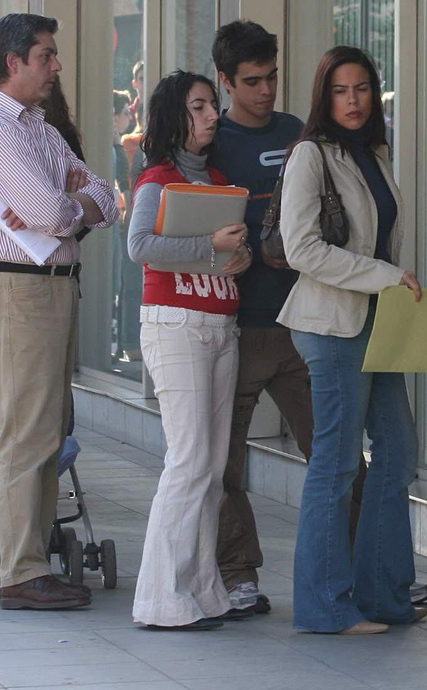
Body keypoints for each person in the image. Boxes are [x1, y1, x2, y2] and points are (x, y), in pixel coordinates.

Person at [206, 21, 372, 614]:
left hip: (305, 323)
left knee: (339, 455)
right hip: (236, 324)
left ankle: (364, 570)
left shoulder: (298, 134)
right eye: (252, 81)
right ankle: (237, 574)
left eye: (272, 77)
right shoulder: (212, 142)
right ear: (226, 81)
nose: (266, 90)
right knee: (223, 463)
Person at [0, 13, 117, 610]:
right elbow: (51, 214)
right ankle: (20, 572)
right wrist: (72, 203)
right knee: (27, 431)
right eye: (46, 55)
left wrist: (70, 202)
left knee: (47, 430)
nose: (56, 66)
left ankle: (32, 563)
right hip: (19, 287)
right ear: (13, 62)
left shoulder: (38, 126)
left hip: (50, 285)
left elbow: (107, 198)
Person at [278, 46, 424, 635]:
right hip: (331, 325)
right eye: (340, 90)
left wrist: (392, 285)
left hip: (380, 321)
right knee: (336, 464)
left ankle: (383, 596)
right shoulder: (310, 155)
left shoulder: (375, 154)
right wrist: (385, 276)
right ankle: (325, 606)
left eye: (362, 88)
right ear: (324, 97)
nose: (353, 100)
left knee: (399, 452)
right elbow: (301, 249)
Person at [127, 71, 252, 630]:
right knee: (190, 461)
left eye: (212, 105)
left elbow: (220, 253)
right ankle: (161, 598)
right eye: (198, 106)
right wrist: (210, 244)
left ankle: (202, 590)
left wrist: (236, 257)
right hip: (176, 323)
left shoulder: (218, 179)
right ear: (174, 116)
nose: (211, 115)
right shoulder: (157, 179)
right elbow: (140, 246)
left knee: (211, 466)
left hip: (220, 322)